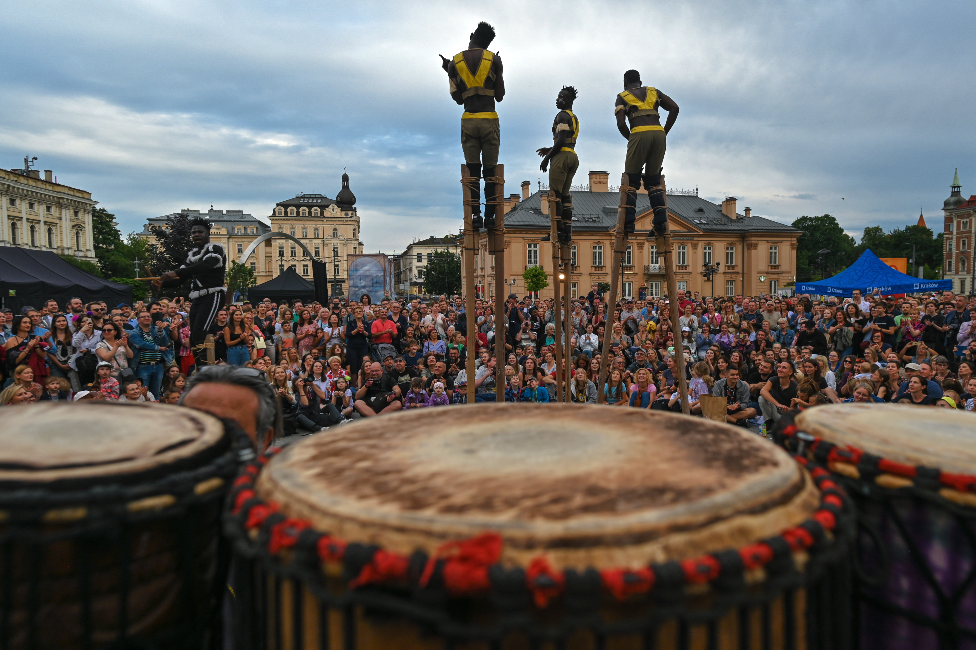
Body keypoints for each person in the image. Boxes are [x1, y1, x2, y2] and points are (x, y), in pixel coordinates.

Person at [441, 22, 505, 231]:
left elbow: (458, 99)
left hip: (469, 119)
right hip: (489, 118)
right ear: (488, 43)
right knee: (491, 171)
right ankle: (490, 218)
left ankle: (475, 215)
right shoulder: (494, 60)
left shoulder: (454, 63)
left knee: (473, 170)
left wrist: (450, 73)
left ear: (471, 35)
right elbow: (500, 95)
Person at [614, 69, 679, 237]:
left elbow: (621, 124)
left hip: (638, 133)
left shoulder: (622, 96)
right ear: (640, 82)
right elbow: (674, 108)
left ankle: (628, 225)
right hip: (658, 134)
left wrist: (631, 139)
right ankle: (660, 224)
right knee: (653, 181)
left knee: (631, 181)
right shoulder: (653, 91)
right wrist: (664, 132)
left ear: (625, 83)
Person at [155, 216, 227, 364]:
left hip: (213, 294)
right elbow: (181, 279)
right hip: (198, 297)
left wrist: (176, 272)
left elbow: (205, 266)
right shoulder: (192, 255)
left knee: (200, 332)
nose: (196, 235)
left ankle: (208, 365)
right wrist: (163, 285)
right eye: (194, 232)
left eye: (200, 232)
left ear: (208, 233)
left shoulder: (215, 249)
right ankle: (200, 366)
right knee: (194, 335)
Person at [537, 85, 580, 244]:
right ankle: (566, 233)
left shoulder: (562, 116)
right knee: (564, 196)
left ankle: (557, 231)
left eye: (560, 96)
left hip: (561, 158)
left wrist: (547, 157)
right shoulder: (573, 117)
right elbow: (566, 141)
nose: (557, 99)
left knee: (554, 196)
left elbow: (561, 139)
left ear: (567, 100)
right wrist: (549, 148)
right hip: (572, 156)